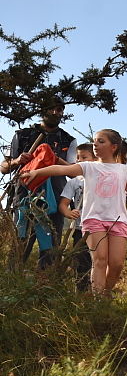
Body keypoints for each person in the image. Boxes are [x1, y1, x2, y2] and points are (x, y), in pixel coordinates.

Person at [22, 130, 127, 294]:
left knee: (117, 264)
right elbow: (61, 170)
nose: (95, 145)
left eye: (100, 141)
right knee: (100, 261)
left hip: (118, 221)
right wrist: (37, 172)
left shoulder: (124, 170)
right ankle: (98, 302)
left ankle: (105, 293)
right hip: (93, 220)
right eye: (94, 141)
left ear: (114, 147)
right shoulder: (88, 167)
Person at [2, 99, 77, 266]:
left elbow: (74, 172)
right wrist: (16, 161)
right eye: (52, 109)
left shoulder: (68, 140)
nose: (56, 113)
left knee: (51, 248)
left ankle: (46, 288)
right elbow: (3, 167)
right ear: (43, 110)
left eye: (60, 110)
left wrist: (54, 159)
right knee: (20, 244)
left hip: (54, 198)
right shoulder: (22, 135)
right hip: (23, 196)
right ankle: (12, 286)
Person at [59, 142, 95, 290]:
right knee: (81, 262)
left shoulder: (102, 177)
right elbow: (63, 204)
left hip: (100, 228)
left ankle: (99, 293)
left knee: (99, 261)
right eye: (78, 157)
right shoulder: (74, 182)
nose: (79, 161)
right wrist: (68, 212)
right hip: (80, 229)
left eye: (84, 157)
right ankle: (81, 293)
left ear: (95, 159)